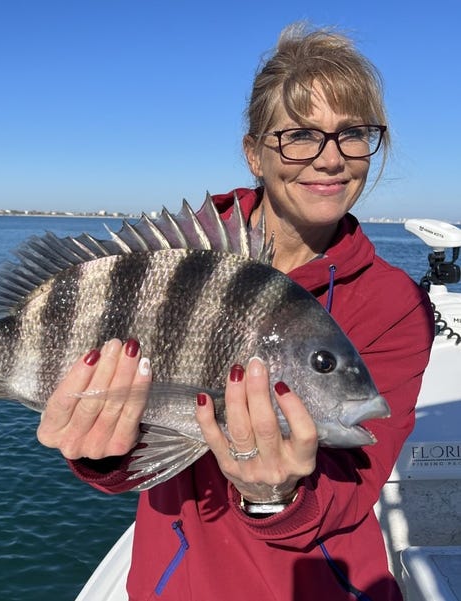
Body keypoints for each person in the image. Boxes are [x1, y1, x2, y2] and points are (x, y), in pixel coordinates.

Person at [37, 23, 435, 600]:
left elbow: (360, 480)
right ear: (254, 152)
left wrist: (277, 496)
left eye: (352, 134)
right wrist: (101, 453)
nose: (329, 159)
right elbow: (134, 454)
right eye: (299, 135)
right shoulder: (177, 260)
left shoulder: (392, 303)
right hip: (174, 584)